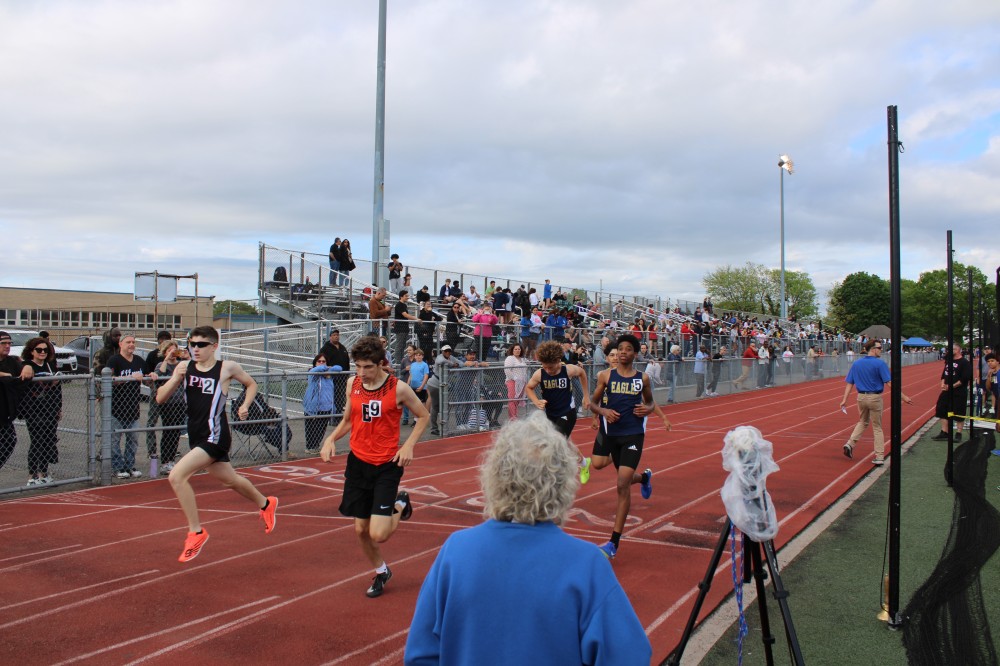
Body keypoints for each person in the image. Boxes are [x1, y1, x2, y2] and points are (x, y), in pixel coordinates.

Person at [404, 413, 652, 665]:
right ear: (563, 483)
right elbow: (630, 656)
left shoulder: (455, 552)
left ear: (494, 476)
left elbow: (419, 654)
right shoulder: (587, 564)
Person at [156, 326, 278, 563]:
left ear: (214, 346)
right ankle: (266, 503)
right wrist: (176, 377)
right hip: (196, 435)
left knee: (177, 476)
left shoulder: (226, 368)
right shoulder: (185, 367)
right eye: (192, 344)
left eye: (201, 345)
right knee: (230, 480)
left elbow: (251, 384)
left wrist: (244, 406)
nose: (195, 349)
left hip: (216, 435)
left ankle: (196, 533)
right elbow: (160, 397)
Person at [320, 335, 429, 598]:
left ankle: (400, 504)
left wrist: (409, 445)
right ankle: (382, 571)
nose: (362, 372)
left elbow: (424, 415)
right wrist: (330, 439)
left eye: (367, 367)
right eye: (358, 366)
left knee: (378, 534)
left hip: (386, 465)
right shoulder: (353, 384)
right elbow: (348, 420)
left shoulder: (398, 388)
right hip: (358, 463)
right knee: (361, 530)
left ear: (381, 364)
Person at [589, 334, 671, 559]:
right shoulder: (606, 376)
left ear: (635, 354)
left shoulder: (642, 378)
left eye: (628, 349)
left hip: (633, 435)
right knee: (617, 474)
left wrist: (648, 409)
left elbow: (650, 402)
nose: (623, 352)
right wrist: (603, 411)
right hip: (611, 435)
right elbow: (592, 403)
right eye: (620, 349)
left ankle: (613, 542)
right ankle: (644, 478)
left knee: (622, 484)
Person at [526, 341, 592, 484]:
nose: (548, 370)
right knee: (564, 442)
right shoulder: (540, 373)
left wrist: (586, 396)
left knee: (555, 442)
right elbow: (529, 387)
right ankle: (584, 463)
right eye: (544, 366)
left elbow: (582, 373)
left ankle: (555, 477)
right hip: (550, 414)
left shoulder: (567, 370)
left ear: (558, 360)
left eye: (550, 367)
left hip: (567, 411)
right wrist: (536, 401)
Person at [840, 339, 912, 465]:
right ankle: (879, 456)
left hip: (861, 397)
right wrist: (903, 397)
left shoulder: (857, 364)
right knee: (877, 427)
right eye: (879, 348)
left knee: (863, 421)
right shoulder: (880, 364)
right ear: (873, 349)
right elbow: (889, 383)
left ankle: (850, 443)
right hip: (874, 397)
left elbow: (850, 383)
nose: (881, 350)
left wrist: (844, 400)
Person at [107, 333, 153, 479]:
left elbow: (147, 379)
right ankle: (117, 468)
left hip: (133, 408)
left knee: (133, 440)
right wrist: (130, 377)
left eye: (133, 342)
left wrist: (152, 376)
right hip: (116, 408)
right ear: (121, 344)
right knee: (114, 441)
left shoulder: (139, 361)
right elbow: (109, 379)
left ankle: (129, 466)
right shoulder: (114, 360)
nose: (132, 344)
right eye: (128, 342)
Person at [20, 337, 62, 486]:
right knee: (37, 441)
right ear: (31, 351)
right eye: (39, 350)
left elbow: (57, 389)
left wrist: (59, 408)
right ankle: (32, 476)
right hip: (34, 410)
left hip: (50, 409)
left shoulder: (50, 366)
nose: (42, 352)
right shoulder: (27, 365)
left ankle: (43, 473)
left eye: (45, 350)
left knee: (48, 441)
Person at [154, 339, 189, 474]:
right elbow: (160, 374)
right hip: (168, 402)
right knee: (168, 431)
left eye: (175, 350)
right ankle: (165, 461)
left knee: (176, 432)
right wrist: (167, 358)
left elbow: (194, 370)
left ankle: (171, 459)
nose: (173, 353)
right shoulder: (162, 365)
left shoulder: (181, 365)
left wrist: (187, 357)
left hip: (180, 401)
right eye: (169, 350)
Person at [0, 331, 33, 471]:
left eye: (9, 343)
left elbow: (27, 371)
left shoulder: (12, 361)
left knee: (8, 442)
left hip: (5, 414)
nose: (7, 346)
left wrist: (28, 367)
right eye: (3, 343)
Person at [932, 343, 974, 442]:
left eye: (952, 349)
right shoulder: (949, 361)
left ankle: (958, 433)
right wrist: (943, 384)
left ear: (957, 350)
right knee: (941, 408)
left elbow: (964, 379)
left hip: (959, 392)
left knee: (958, 412)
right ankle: (944, 432)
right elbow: (944, 374)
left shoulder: (964, 362)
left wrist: (951, 386)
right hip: (946, 391)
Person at [144, 330, 173, 464]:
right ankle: (152, 450)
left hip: (172, 395)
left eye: (167, 338)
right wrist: (152, 385)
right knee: (152, 421)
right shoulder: (153, 355)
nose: (164, 341)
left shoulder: (176, 357)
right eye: (162, 339)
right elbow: (147, 374)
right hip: (157, 392)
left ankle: (169, 450)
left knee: (170, 423)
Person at [304, 353, 336, 452]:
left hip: (326, 406)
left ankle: (316, 446)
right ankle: (310, 447)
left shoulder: (329, 375)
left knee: (321, 429)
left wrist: (328, 369)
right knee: (311, 428)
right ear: (315, 363)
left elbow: (339, 368)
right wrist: (325, 368)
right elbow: (316, 370)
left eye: (323, 361)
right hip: (313, 406)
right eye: (319, 361)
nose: (321, 363)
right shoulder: (312, 373)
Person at [427, 345, 461, 436]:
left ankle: (444, 427)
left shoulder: (451, 357)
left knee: (445, 406)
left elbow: (461, 363)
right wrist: (453, 364)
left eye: (449, 351)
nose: (447, 352)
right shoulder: (440, 357)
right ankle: (434, 428)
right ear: (442, 351)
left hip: (444, 385)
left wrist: (458, 364)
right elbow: (441, 361)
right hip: (434, 384)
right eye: (445, 351)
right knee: (436, 406)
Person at [320, 328, 351, 424]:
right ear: (330, 337)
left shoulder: (342, 347)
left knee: (340, 397)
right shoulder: (325, 348)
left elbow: (346, 361)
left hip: (342, 377)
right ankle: (331, 418)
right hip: (331, 378)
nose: (336, 336)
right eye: (334, 335)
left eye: (337, 335)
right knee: (331, 397)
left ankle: (338, 417)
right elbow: (321, 362)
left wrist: (347, 374)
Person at [403, 349, 430, 427]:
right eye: (416, 355)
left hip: (421, 388)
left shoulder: (424, 365)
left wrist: (422, 386)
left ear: (422, 356)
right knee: (414, 404)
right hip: (413, 387)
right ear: (414, 356)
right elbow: (410, 376)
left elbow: (426, 376)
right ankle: (416, 420)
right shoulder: (413, 365)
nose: (418, 357)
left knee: (422, 403)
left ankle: (423, 419)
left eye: (419, 355)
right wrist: (407, 386)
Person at [392, 290, 419, 368]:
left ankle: (400, 362)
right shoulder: (399, 305)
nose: (407, 297)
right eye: (406, 296)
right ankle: (398, 363)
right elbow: (405, 315)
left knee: (402, 345)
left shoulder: (403, 305)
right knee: (399, 345)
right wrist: (416, 318)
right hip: (400, 328)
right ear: (401, 296)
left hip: (403, 328)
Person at [503, 342, 529, 421]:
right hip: (512, 381)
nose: (517, 350)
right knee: (512, 399)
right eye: (515, 349)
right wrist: (515, 378)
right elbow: (507, 370)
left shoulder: (523, 359)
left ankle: (514, 417)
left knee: (517, 400)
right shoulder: (510, 358)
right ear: (512, 350)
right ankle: (513, 419)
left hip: (522, 382)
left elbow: (530, 364)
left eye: (519, 349)